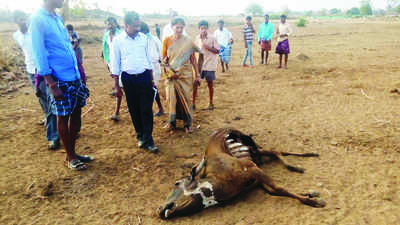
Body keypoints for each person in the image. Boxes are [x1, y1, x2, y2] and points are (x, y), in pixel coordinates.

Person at [30, 0, 93, 170]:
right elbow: (39, 53)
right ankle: (71, 157)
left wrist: (78, 73)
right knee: (62, 117)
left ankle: (72, 152)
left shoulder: (56, 18)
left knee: (76, 114)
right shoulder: (37, 19)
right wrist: (51, 83)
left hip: (72, 75)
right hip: (58, 79)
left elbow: (65, 46)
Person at [111, 11, 159, 153]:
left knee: (146, 109)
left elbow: (148, 60)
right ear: (127, 25)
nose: (138, 26)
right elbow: (115, 64)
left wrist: (151, 80)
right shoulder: (118, 41)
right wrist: (116, 86)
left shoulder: (144, 38)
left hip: (144, 77)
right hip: (128, 79)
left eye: (139, 23)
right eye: (135, 24)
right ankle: (140, 136)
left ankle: (149, 139)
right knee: (134, 109)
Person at [13, 10, 59, 150]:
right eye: (20, 19)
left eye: (25, 17)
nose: (23, 21)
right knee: (43, 101)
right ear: (15, 21)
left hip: (44, 71)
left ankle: (53, 136)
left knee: (51, 102)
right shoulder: (16, 36)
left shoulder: (35, 31)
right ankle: (55, 126)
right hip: (31, 71)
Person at [162, 17, 200, 133]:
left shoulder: (188, 41)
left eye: (181, 27)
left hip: (185, 75)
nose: (179, 29)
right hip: (171, 75)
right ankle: (172, 122)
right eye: (177, 27)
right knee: (171, 98)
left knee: (186, 99)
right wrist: (169, 73)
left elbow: (193, 59)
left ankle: (187, 124)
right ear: (172, 27)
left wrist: (197, 75)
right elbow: (164, 60)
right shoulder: (167, 40)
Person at [140, 22, 165, 117]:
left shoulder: (154, 39)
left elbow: (162, 52)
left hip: (154, 67)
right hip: (143, 68)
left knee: (152, 87)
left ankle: (160, 108)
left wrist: (161, 61)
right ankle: (157, 108)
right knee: (148, 88)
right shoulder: (140, 40)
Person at [195, 20, 220, 110]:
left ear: (208, 29)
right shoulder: (197, 38)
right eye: (202, 28)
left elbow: (217, 51)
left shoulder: (212, 38)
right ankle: (193, 104)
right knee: (195, 83)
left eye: (205, 28)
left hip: (210, 64)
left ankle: (211, 103)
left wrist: (207, 47)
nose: (203, 30)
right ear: (199, 29)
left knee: (210, 84)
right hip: (199, 64)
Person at [102, 17, 122, 121]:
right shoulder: (106, 35)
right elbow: (105, 48)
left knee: (120, 86)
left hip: (122, 64)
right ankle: (117, 112)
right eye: (108, 24)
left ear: (115, 23)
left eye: (111, 23)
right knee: (118, 86)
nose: (110, 25)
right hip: (112, 63)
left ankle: (117, 112)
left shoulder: (121, 34)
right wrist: (107, 62)